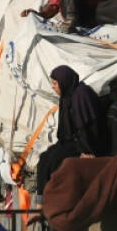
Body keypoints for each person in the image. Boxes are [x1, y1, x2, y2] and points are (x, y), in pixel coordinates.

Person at [35, 66, 104, 200]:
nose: (52, 87)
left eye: (55, 83)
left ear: (64, 81)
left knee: (56, 159)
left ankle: (55, 198)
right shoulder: (66, 96)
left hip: (89, 142)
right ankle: (40, 200)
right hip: (73, 140)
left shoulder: (81, 94)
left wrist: (86, 150)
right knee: (44, 157)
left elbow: (88, 126)